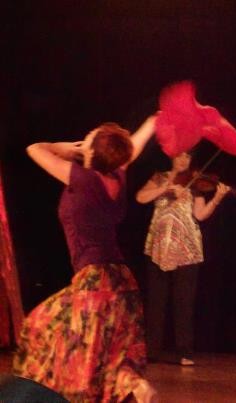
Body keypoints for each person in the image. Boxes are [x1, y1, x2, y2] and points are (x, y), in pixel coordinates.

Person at [13, 117, 158, 402]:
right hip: (121, 281)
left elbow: (34, 149)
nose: (86, 135)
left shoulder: (82, 178)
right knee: (107, 351)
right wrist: (154, 121)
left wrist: (60, 147)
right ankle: (137, 386)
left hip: (95, 281)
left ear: (92, 151)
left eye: (90, 136)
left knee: (41, 325)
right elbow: (135, 145)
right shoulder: (117, 174)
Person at [136, 151, 230, 365]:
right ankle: (152, 351)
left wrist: (216, 197)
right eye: (179, 156)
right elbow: (140, 197)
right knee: (156, 301)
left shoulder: (195, 181)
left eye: (187, 157)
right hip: (159, 245)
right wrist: (165, 188)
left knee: (184, 301)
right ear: (172, 156)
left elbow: (200, 214)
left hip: (186, 247)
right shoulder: (159, 177)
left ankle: (185, 352)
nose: (183, 160)